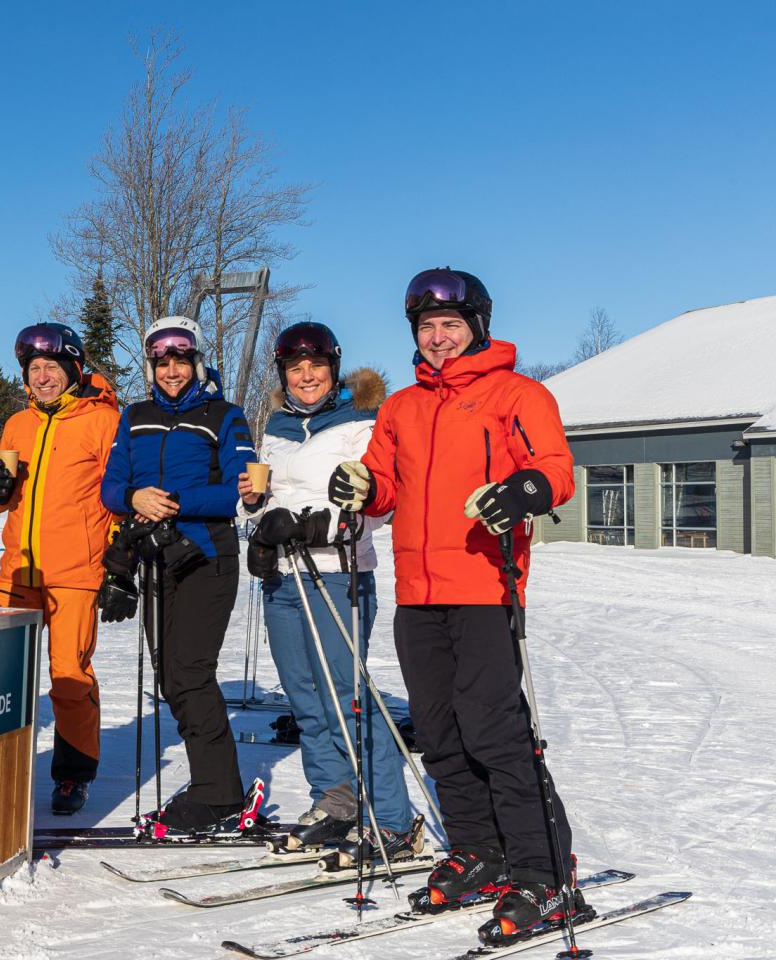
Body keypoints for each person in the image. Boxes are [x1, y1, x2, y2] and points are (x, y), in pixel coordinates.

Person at [329, 268, 581, 938]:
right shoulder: (403, 407)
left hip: (484, 587)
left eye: (451, 326)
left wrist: (523, 489)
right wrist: (359, 485)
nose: (439, 339)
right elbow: (383, 484)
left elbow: (556, 469)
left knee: (495, 732)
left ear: (477, 327)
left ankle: (545, 871)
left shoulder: (517, 394)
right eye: (427, 328)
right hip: (417, 592)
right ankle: (479, 851)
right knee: (439, 734)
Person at [240, 321, 419, 862]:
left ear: (334, 369)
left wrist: (322, 526)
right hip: (284, 579)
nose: (306, 376)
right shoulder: (276, 424)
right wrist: (254, 519)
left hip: (339, 573)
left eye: (315, 367)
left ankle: (393, 821)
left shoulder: (365, 423)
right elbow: (263, 493)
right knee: (307, 702)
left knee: (349, 701)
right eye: (295, 369)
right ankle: (336, 802)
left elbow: (384, 503)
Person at [100, 316, 256, 832]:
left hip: (208, 556)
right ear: (152, 365)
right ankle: (211, 781)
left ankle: (219, 793)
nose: (172, 370)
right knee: (171, 677)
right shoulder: (135, 416)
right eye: (162, 361)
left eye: (180, 360)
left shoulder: (225, 415)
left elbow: (236, 491)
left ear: (196, 362)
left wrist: (170, 503)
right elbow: (112, 486)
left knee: (189, 671)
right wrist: (132, 498)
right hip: (156, 557)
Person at [0, 323, 120, 815]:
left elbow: (119, 495)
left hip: (75, 572)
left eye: (51, 368)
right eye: (34, 369)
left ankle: (73, 775)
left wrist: (119, 556)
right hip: (17, 571)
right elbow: (2, 500)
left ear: (73, 370)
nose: (42, 377)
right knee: (1, 676)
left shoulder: (103, 421)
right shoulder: (18, 424)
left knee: (69, 676)